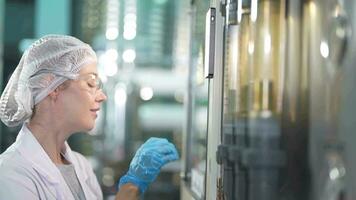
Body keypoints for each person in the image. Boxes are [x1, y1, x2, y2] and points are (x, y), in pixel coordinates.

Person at [0, 35, 179, 200]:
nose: (102, 96)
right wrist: (129, 189)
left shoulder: (81, 166)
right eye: (91, 83)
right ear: (53, 86)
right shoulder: (11, 174)